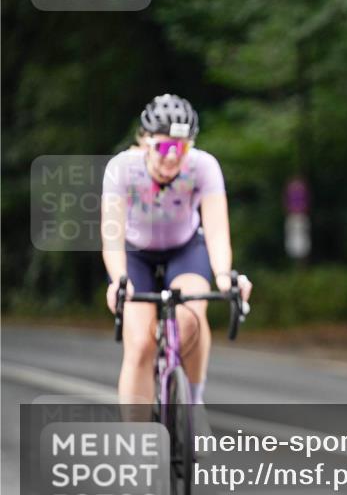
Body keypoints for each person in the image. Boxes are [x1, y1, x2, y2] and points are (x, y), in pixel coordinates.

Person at [101, 94, 252, 405]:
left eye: (181, 148)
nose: (173, 157)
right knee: (140, 343)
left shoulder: (203, 166)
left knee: (192, 319)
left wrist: (225, 277)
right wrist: (118, 280)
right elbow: (111, 235)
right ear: (146, 142)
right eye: (165, 147)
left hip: (184, 248)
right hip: (135, 253)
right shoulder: (122, 169)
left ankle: (193, 405)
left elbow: (216, 229)